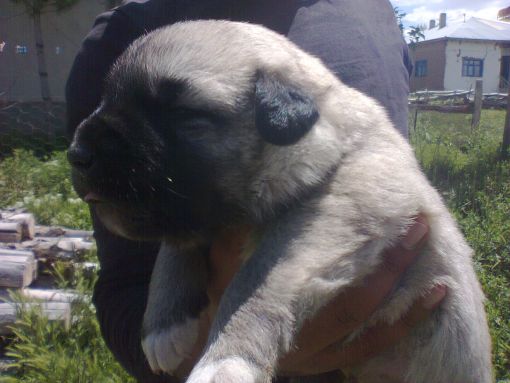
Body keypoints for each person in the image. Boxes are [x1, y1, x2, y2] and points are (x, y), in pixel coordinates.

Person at [66, 1, 444, 382]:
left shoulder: (374, 12)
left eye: (184, 118)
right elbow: (126, 290)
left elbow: (376, 198)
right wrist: (229, 350)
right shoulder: (123, 32)